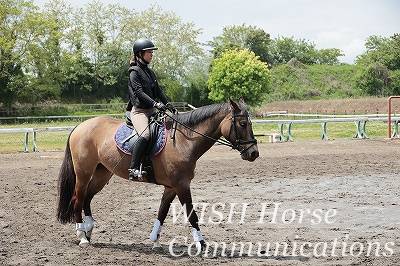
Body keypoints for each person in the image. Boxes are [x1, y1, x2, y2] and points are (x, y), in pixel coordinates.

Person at [126, 38, 176, 180]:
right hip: (140, 111)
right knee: (145, 135)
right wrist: (155, 104)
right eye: (149, 52)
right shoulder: (134, 72)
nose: (151, 55)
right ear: (140, 54)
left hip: (152, 111)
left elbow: (159, 91)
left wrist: (168, 103)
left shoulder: (150, 72)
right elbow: (139, 92)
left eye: (152, 52)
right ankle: (134, 168)